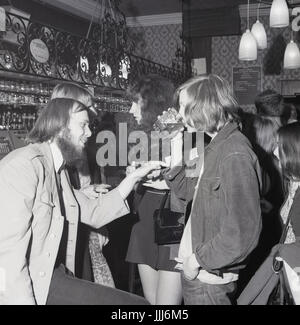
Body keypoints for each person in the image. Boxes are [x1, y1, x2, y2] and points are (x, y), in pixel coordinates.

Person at [0, 97, 163, 305]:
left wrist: (133, 177)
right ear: (59, 127)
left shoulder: (57, 170)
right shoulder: (23, 167)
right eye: (83, 125)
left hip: (51, 274)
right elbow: (6, 260)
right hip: (32, 283)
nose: (89, 133)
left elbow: (93, 212)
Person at [162, 74, 262, 305]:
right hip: (201, 273)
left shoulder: (234, 153)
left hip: (207, 279)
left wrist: (196, 261)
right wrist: (177, 143)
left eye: (184, 107)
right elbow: (186, 191)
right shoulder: (215, 145)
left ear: (203, 106)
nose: (179, 114)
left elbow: (242, 233)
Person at [125, 74, 183, 305]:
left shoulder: (189, 130)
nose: (131, 110)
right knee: (151, 302)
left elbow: (195, 180)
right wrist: (135, 174)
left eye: (135, 102)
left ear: (153, 103)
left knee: (166, 306)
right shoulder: (149, 133)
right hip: (146, 214)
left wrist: (161, 177)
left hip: (173, 217)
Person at [50, 82, 111, 283]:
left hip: (87, 226)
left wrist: (100, 226)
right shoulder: (57, 148)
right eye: (87, 105)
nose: (94, 110)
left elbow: (91, 183)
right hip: (67, 232)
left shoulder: (85, 140)